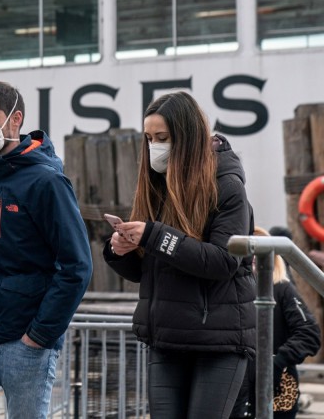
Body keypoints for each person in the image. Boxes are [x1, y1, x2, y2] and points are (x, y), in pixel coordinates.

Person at [0, 80, 93, 419]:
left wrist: (40, 335)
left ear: (15, 119)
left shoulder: (47, 182)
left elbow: (76, 265)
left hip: (26, 340)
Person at [103, 90, 256, 418]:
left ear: (187, 137)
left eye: (162, 137)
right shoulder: (157, 187)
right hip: (167, 339)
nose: (154, 146)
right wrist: (122, 251)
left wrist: (155, 235)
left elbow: (224, 260)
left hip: (219, 342)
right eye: (148, 138)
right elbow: (152, 271)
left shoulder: (227, 185)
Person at [230, 227, 321, 418]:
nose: (254, 257)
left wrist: (277, 362)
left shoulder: (282, 289)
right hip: (236, 387)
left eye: (258, 252)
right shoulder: (229, 292)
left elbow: (309, 332)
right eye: (249, 252)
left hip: (278, 387)